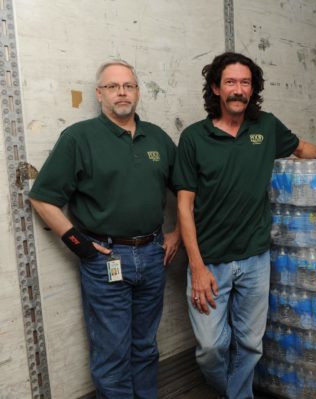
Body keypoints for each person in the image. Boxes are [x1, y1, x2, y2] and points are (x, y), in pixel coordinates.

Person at [172, 52, 316, 399]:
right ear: (216, 88)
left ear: (253, 89)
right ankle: (228, 391)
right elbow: (184, 205)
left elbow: (299, 147)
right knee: (210, 347)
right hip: (209, 261)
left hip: (255, 258)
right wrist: (196, 264)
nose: (239, 89)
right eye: (231, 82)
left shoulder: (265, 127)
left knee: (251, 344)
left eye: (245, 82)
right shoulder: (194, 138)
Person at [28, 60, 180, 397]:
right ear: (99, 94)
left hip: (153, 256)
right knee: (111, 355)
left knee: (145, 347)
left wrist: (178, 233)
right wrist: (80, 246)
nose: (122, 92)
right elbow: (42, 199)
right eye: (113, 86)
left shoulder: (157, 137)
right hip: (106, 259)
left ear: (138, 92)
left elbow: (186, 190)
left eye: (129, 85)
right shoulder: (79, 138)